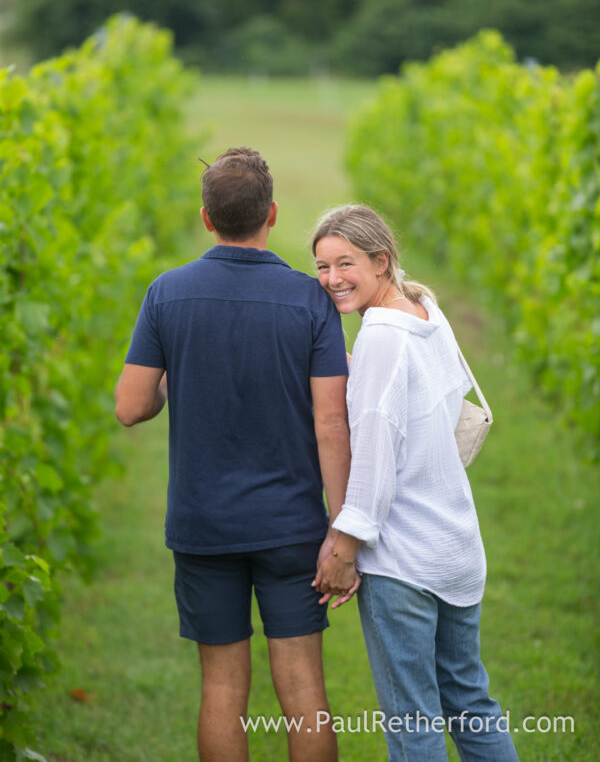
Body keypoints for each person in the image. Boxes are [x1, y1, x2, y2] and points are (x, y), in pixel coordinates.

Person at [115, 147, 351, 762]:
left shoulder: (166, 294)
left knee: (221, 689)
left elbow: (130, 406)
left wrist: (181, 373)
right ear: (271, 214)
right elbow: (331, 421)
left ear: (206, 218)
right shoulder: (310, 301)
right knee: (304, 689)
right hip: (292, 524)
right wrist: (341, 528)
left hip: (204, 525)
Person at [311, 204, 519, 762]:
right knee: (471, 703)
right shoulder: (425, 309)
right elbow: (419, 402)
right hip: (454, 545)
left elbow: (375, 456)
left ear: (381, 261)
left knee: (414, 725)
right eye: (323, 266)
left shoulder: (381, 337)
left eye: (346, 263)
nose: (332, 279)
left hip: (404, 561)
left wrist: (344, 548)